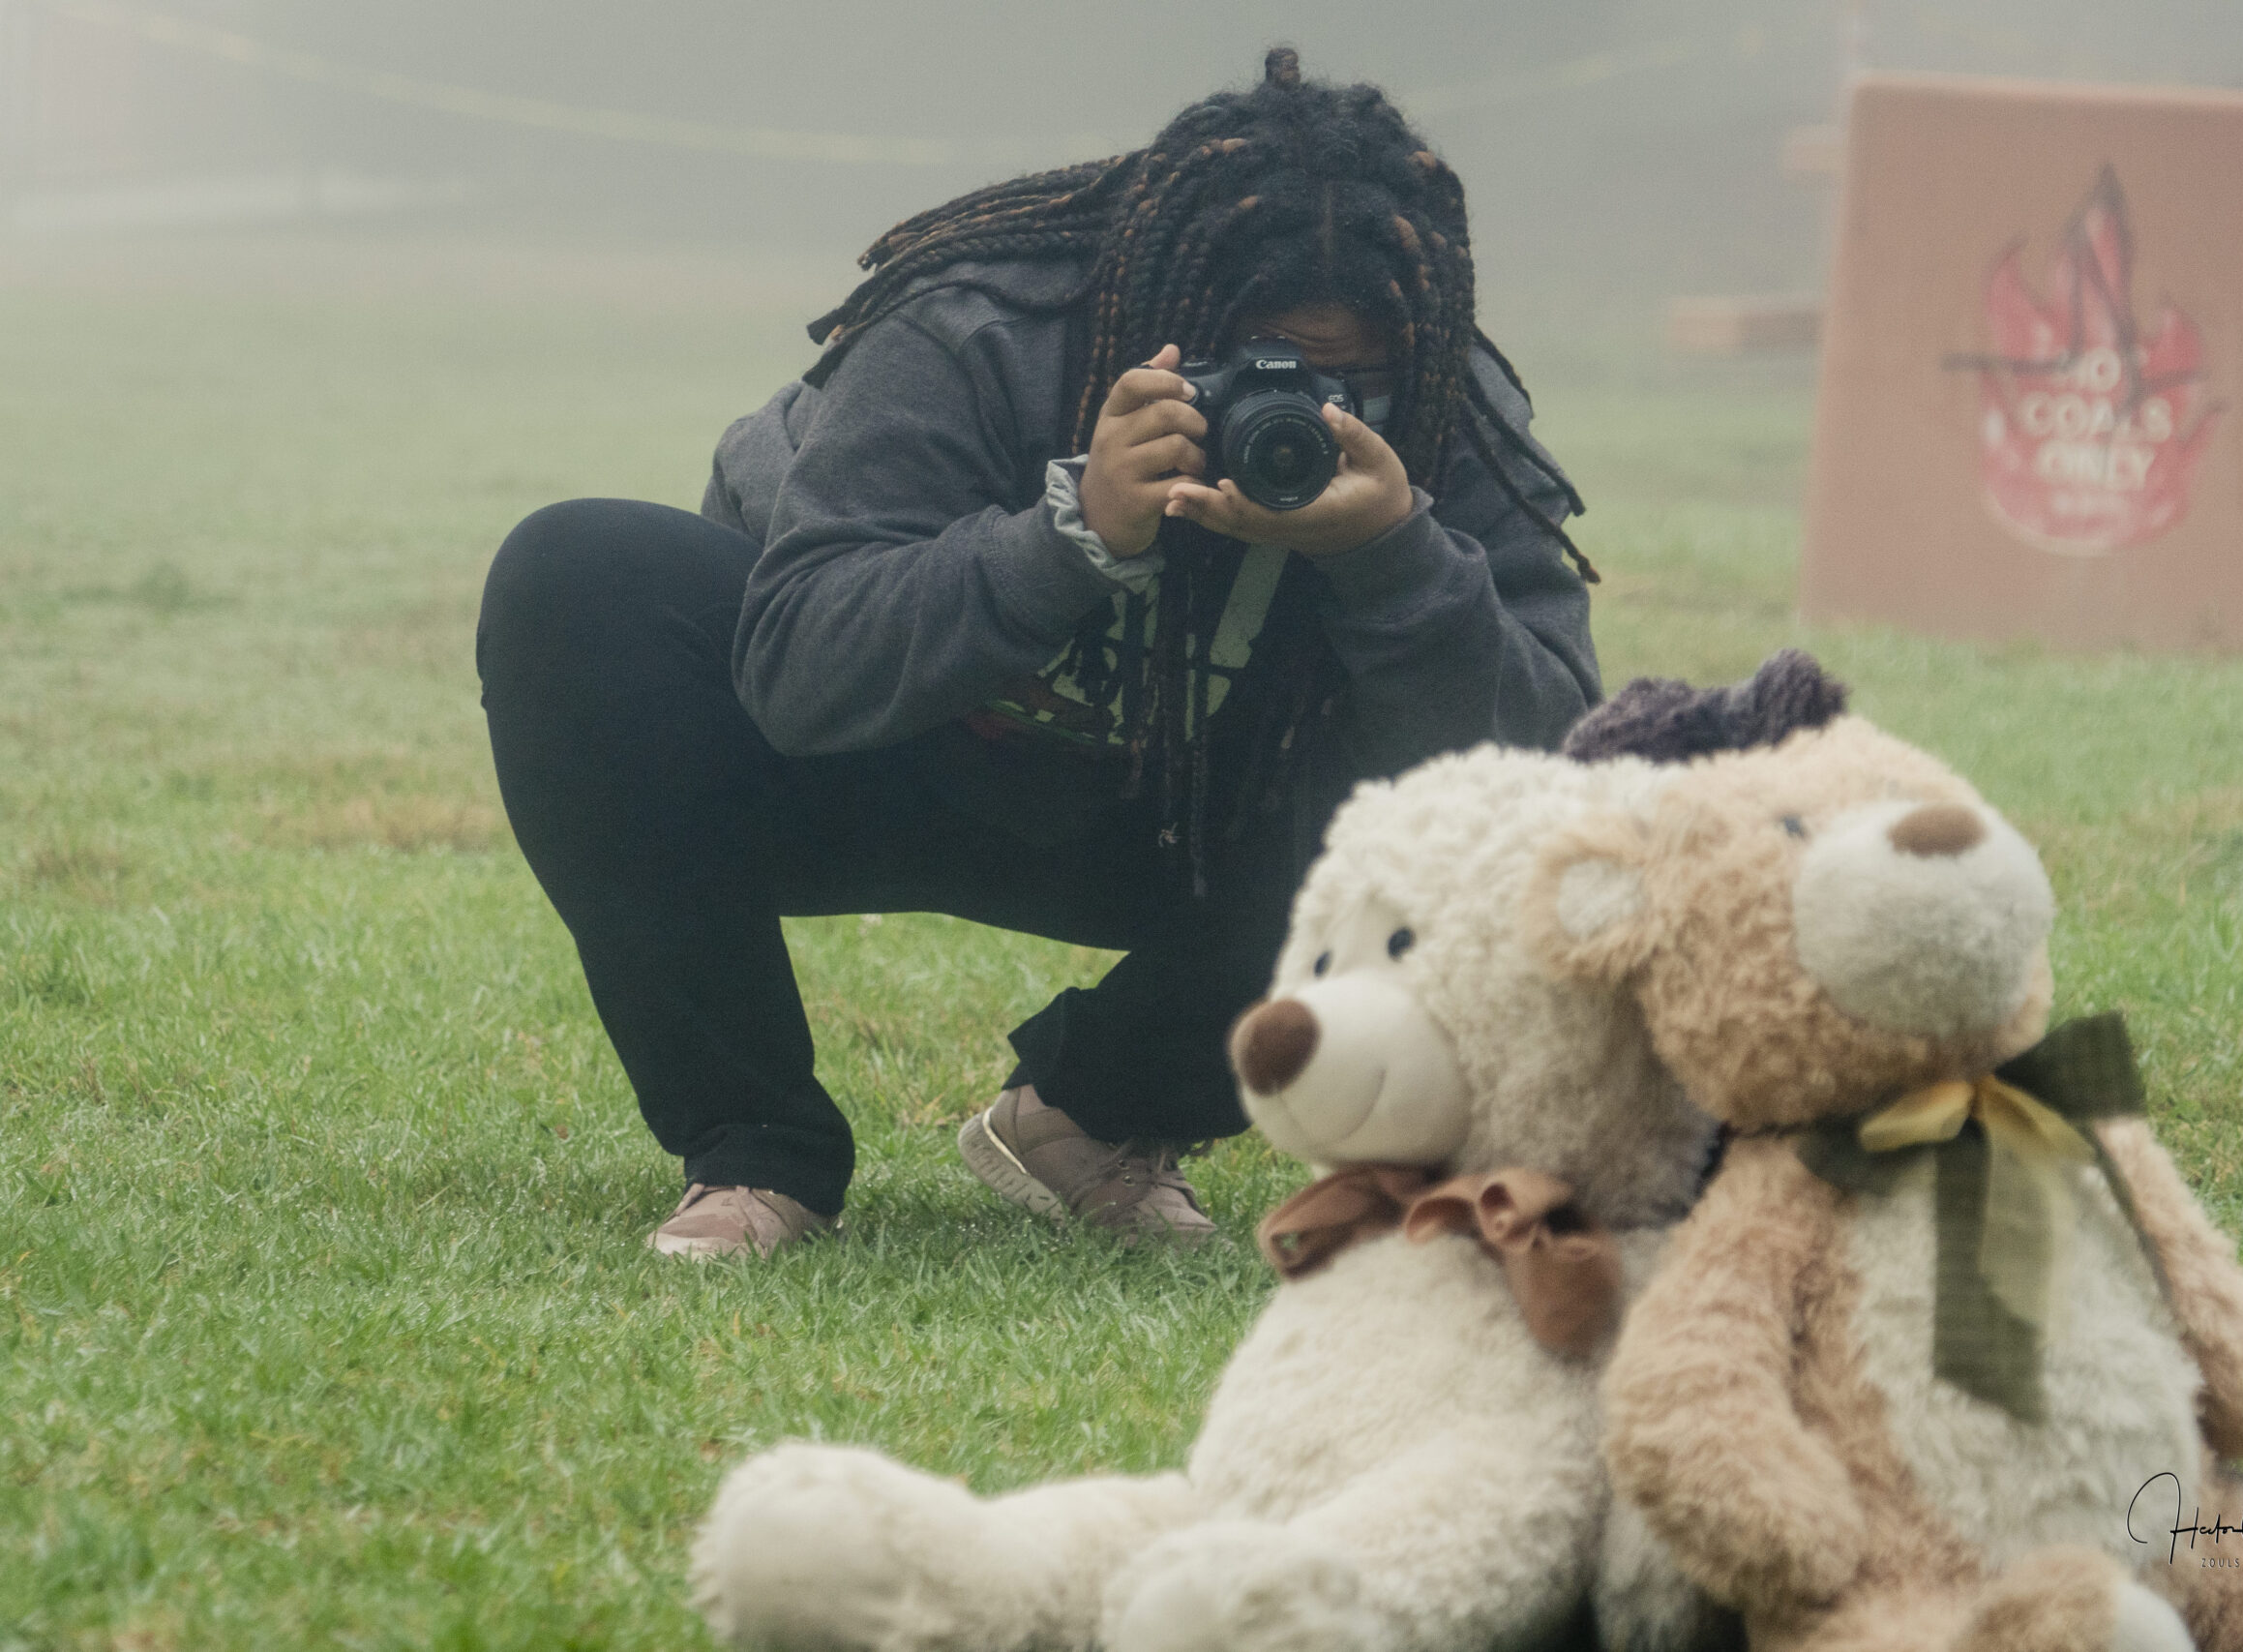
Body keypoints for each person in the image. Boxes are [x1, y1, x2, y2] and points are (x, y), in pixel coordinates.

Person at [475, 47, 1600, 1258]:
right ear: (1158, 307)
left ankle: (1099, 1111)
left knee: (1492, 834)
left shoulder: (1440, 403)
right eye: (1259, 359)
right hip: (871, 771)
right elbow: (798, 669)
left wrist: (1395, 558)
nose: (1306, 405)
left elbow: (1541, 783)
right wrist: (1071, 536)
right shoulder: (984, 323)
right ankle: (753, 1148)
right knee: (576, 571)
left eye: (1354, 379)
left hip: (1184, 832)